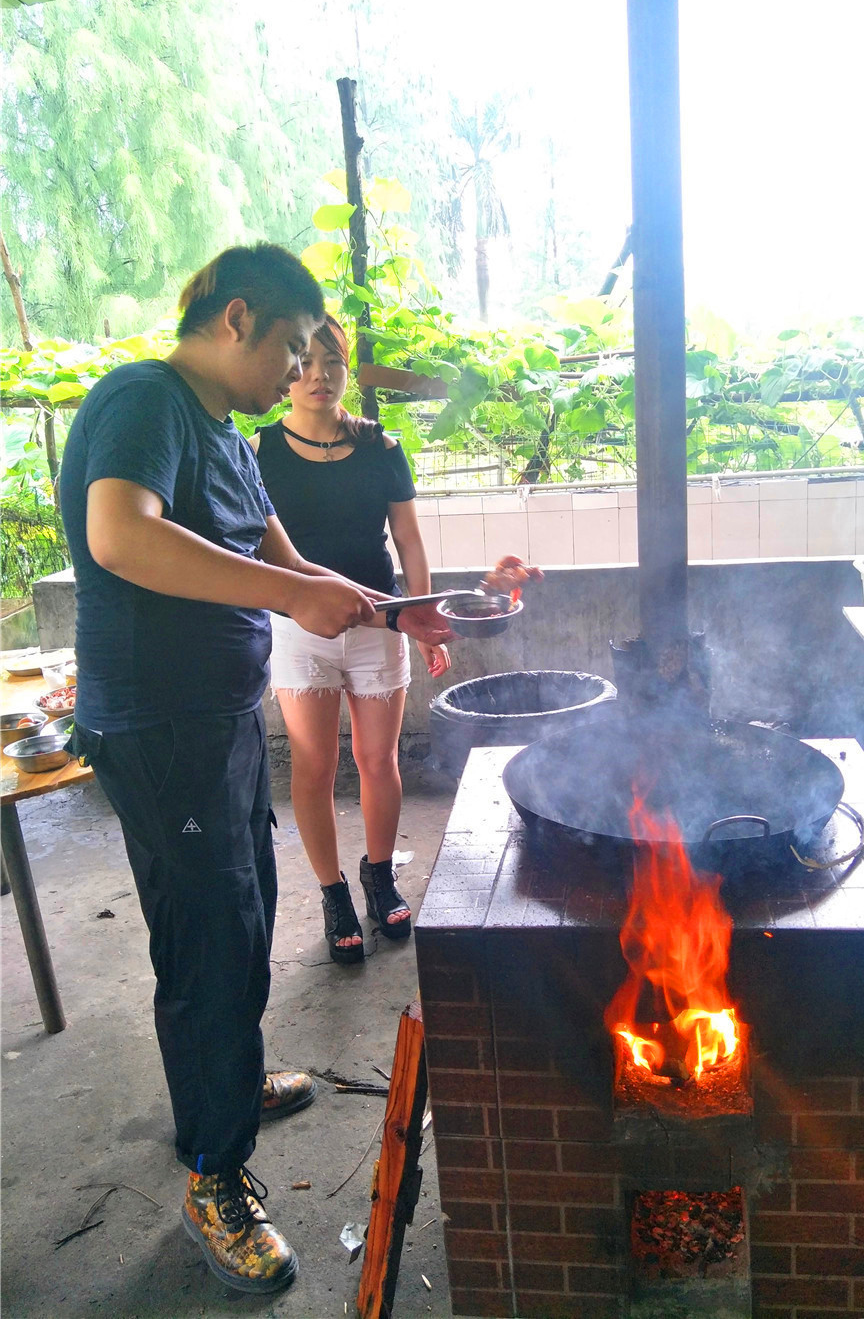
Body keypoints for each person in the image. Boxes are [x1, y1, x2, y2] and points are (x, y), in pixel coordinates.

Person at [58, 244, 454, 1296]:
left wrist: (407, 610)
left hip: (221, 714)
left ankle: (224, 1083)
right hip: (158, 724)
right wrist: (290, 604)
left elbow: (292, 563)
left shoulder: (226, 437)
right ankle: (212, 1173)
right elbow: (119, 538)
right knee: (206, 933)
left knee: (248, 901)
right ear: (237, 317)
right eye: (289, 346)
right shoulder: (144, 401)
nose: (298, 370)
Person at [251, 315, 449, 964]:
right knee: (313, 765)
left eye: (332, 361)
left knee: (377, 758)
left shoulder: (382, 449)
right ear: (285, 371)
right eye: (304, 361)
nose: (318, 375)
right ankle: (334, 891)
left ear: (347, 368)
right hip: (299, 629)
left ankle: (380, 873)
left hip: (379, 623)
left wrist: (422, 620)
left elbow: (410, 542)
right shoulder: (258, 453)